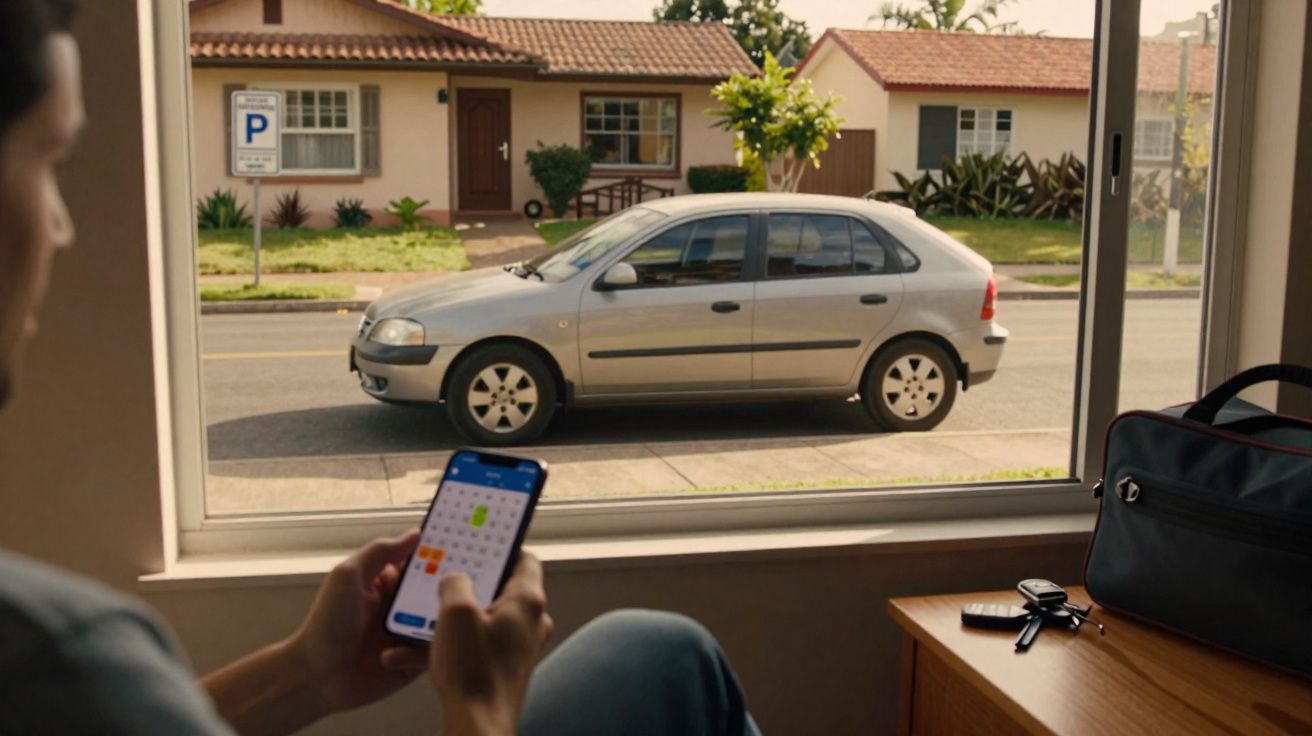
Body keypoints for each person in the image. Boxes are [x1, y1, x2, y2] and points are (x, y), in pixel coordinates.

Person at [0, 1, 760, 733]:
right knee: (669, 652)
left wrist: (309, 670)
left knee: (657, 646)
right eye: (48, 160)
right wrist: (479, 705)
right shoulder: (64, 662)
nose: (63, 228)